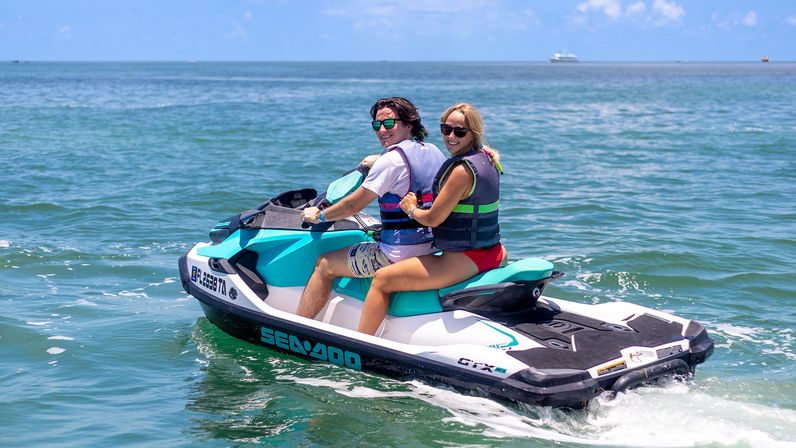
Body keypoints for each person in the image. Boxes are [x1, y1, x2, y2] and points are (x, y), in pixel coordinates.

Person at [357, 102, 506, 335]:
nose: (451, 137)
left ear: (473, 133)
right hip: (494, 250)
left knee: (382, 279)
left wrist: (410, 208)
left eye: (459, 131)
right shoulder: (487, 158)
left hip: (465, 258)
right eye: (446, 130)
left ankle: (361, 343)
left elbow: (433, 219)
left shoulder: (461, 170)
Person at [297, 97, 446, 320]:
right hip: (432, 245)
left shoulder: (392, 161)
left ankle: (301, 325)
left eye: (389, 123)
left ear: (409, 123)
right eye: (377, 125)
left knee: (325, 263)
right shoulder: (433, 151)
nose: (382, 130)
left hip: (398, 254)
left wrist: (320, 215)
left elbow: (353, 204)